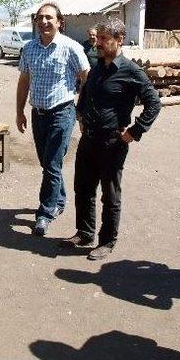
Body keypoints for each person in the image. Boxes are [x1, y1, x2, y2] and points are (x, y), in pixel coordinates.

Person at [62, 18, 161, 260]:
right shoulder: (97, 66)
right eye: (99, 38)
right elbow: (86, 93)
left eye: (105, 39)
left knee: (110, 194)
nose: (99, 42)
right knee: (83, 188)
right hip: (89, 139)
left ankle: (107, 241)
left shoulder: (130, 71)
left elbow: (154, 103)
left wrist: (134, 132)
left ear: (119, 40)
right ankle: (85, 233)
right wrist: (81, 114)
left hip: (112, 143)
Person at [16, 3, 90, 236]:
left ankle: (45, 213)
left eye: (49, 18)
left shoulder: (71, 48)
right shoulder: (28, 49)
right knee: (48, 163)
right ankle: (59, 201)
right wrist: (19, 111)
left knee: (51, 165)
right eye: (40, 18)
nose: (44, 22)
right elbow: (24, 81)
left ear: (60, 22)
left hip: (62, 113)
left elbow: (86, 77)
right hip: (38, 115)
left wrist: (82, 110)